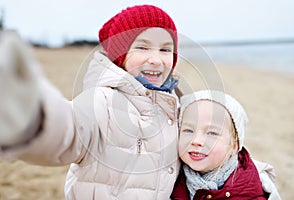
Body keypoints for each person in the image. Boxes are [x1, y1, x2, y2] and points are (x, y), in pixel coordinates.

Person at [0, 5, 180, 199]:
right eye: (142, 47)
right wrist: (31, 113)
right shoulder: (102, 102)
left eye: (165, 49)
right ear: (121, 55)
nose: (155, 59)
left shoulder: (174, 106)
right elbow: (69, 130)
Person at [171, 90, 281, 200]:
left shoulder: (248, 191)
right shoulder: (170, 175)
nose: (196, 140)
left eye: (212, 133)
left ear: (235, 146)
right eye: (188, 130)